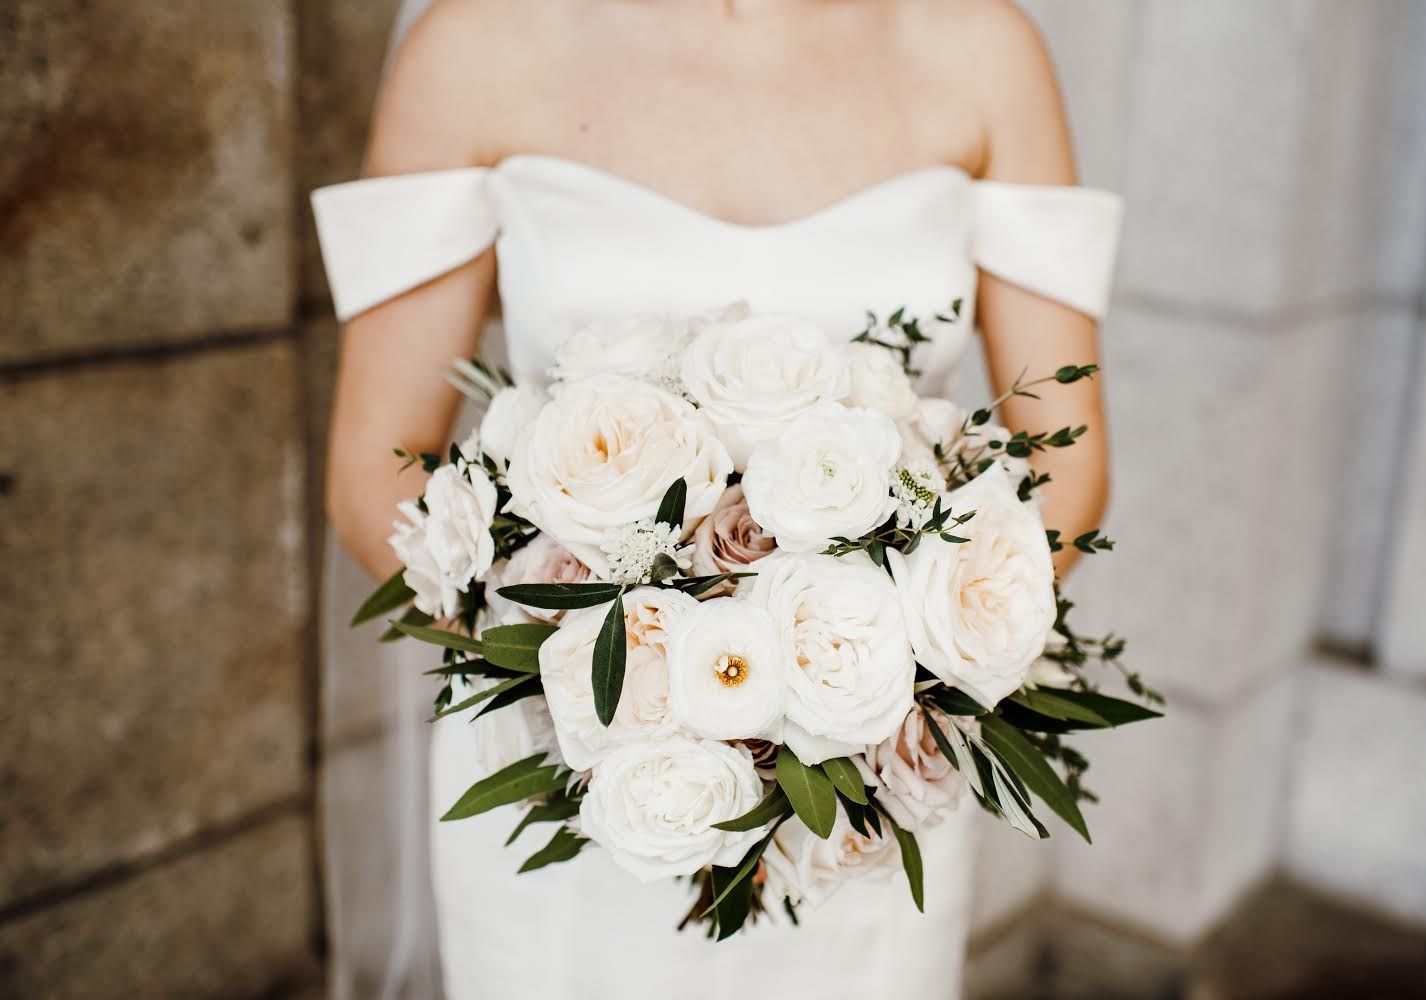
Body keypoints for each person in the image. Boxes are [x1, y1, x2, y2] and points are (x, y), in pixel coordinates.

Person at [313, 1, 1122, 996]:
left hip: (855, 790)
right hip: (568, 777)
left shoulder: (982, 49)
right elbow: (374, 472)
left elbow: (1065, 476)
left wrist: (868, 684)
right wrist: (604, 688)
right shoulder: (476, 43)